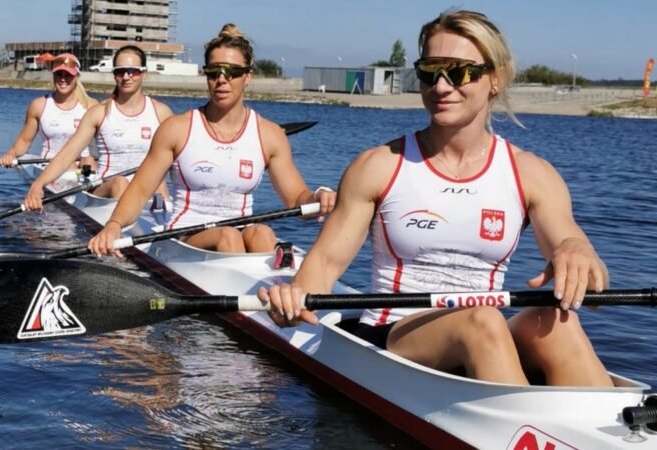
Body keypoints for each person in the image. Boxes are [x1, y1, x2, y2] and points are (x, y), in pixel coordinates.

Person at [258, 10, 612, 387]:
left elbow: (592, 291)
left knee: (556, 321)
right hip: (394, 333)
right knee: (482, 320)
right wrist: (292, 301)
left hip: (483, 333)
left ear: (495, 78)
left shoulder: (533, 174)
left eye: (459, 72)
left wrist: (577, 252)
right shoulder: (378, 166)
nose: (441, 86)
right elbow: (324, 265)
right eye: (429, 71)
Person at [88, 24, 336, 257]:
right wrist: (114, 225)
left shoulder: (270, 135)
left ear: (248, 76)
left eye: (232, 72)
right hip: (184, 236)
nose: (222, 80)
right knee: (228, 237)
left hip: (239, 231)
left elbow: (296, 199)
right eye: (214, 72)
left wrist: (319, 197)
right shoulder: (177, 129)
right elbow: (141, 190)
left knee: (262, 232)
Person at [22, 45, 173, 212]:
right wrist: (38, 184)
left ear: (144, 73)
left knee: (159, 183)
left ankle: (163, 217)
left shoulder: (161, 112)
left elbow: (179, 160)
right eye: (120, 71)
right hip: (106, 188)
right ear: (114, 74)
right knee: (120, 183)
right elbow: (67, 154)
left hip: (145, 189)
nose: (126, 76)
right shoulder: (99, 113)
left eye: (133, 71)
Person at [0, 53, 98, 174]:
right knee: (70, 164)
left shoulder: (91, 106)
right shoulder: (39, 105)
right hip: (49, 165)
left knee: (89, 161)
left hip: (83, 166)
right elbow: (24, 140)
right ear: (53, 76)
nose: (63, 79)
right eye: (58, 74)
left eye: (68, 75)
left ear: (77, 76)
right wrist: (11, 153)